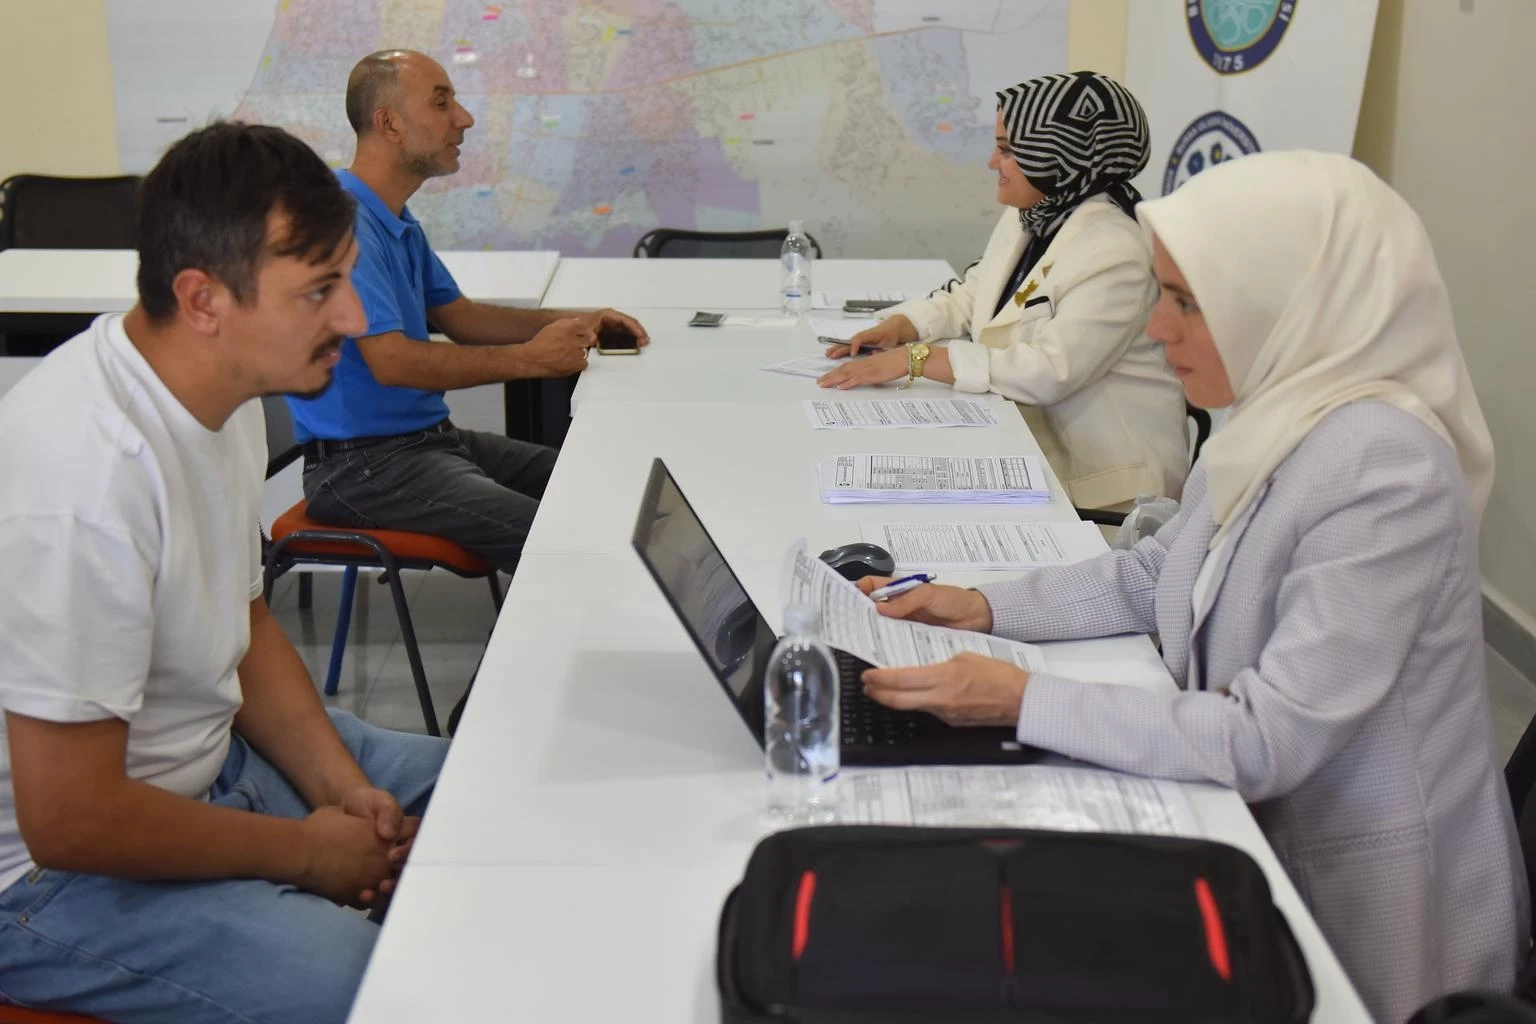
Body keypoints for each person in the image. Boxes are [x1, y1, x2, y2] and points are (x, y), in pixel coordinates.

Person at [852, 151, 1526, 1022]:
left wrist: (1022, 700)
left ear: (1288, 298)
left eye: (1186, 302)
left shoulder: (1385, 468)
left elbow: (1268, 736)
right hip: (1258, 839)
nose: (1158, 328)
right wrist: (984, 605)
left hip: (1372, 918)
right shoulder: (1279, 410)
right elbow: (1156, 573)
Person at [0, 122, 449, 1023]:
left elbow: (246, 623)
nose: (353, 318)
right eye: (319, 290)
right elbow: (72, 819)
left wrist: (341, 791)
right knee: (374, 989)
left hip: (207, 762)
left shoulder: (223, 387)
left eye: (347, 278)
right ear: (203, 299)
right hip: (50, 877)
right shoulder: (85, 480)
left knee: (487, 789)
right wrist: (309, 854)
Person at [287, 49, 649, 572]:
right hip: (362, 468)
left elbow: (461, 317)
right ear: (389, 124)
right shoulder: (343, 220)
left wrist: (576, 321)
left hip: (426, 442)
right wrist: (528, 360)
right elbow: (392, 362)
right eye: (442, 103)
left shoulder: (392, 218)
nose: (464, 118)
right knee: (568, 547)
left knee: (613, 483)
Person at [818, 72, 1188, 511]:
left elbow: (1051, 370)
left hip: (1109, 492)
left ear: (1057, 153)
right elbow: (977, 294)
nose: (993, 162)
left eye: (1009, 150)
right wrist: (904, 326)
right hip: (1032, 448)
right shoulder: (1032, 216)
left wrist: (918, 359)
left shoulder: (1116, 251)